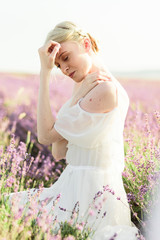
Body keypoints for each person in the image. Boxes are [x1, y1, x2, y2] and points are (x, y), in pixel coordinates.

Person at [9, 21, 141, 239]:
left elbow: (45, 136)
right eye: (58, 66)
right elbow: (58, 152)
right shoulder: (86, 84)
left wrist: (44, 72)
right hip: (71, 188)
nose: (65, 69)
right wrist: (76, 96)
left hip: (92, 197)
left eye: (67, 57)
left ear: (86, 44)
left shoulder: (105, 88)